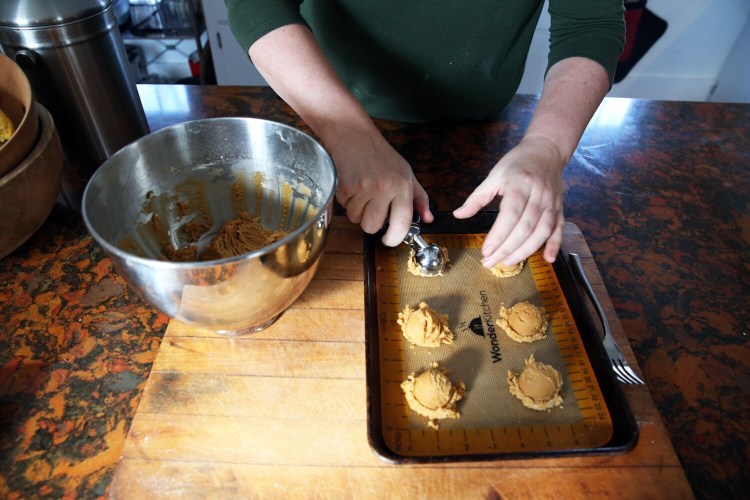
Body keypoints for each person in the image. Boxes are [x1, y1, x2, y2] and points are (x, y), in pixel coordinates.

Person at [224, 1, 624, 267]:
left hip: (485, 126)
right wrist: (349, 135)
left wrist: (547, 147)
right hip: (327, 104)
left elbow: (591, 23)